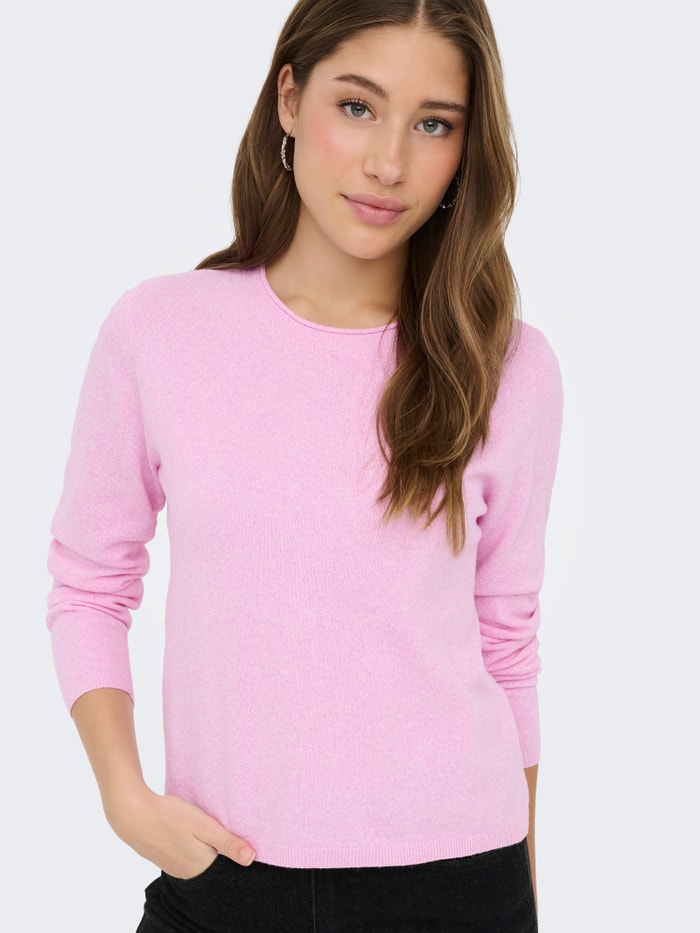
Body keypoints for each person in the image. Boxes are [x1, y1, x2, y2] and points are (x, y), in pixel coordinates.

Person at [45, 0, 563, 929]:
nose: (389, 163)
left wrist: (531, 888)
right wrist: (125, 797)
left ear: (466, 148)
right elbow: (90, 581)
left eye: (433, 124)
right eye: (357, 106)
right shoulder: (160, 332)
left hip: (457, 882)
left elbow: (508, 637)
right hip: (219, 875)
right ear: (289, 97)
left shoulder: (507, 367)